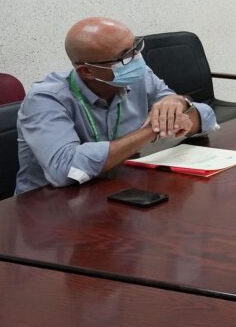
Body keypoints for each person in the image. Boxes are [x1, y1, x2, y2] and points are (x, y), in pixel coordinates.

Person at [15, 17, 218, 195]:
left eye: (136, 47)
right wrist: (152, 131)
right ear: (87, 71)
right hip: (48, 207)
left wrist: (179, 102)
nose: (137, 59)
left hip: (113, 189)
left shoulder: (140, 76)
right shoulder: (46, 99)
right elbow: (65, 170)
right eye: (124, 56)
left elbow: (207, 117)